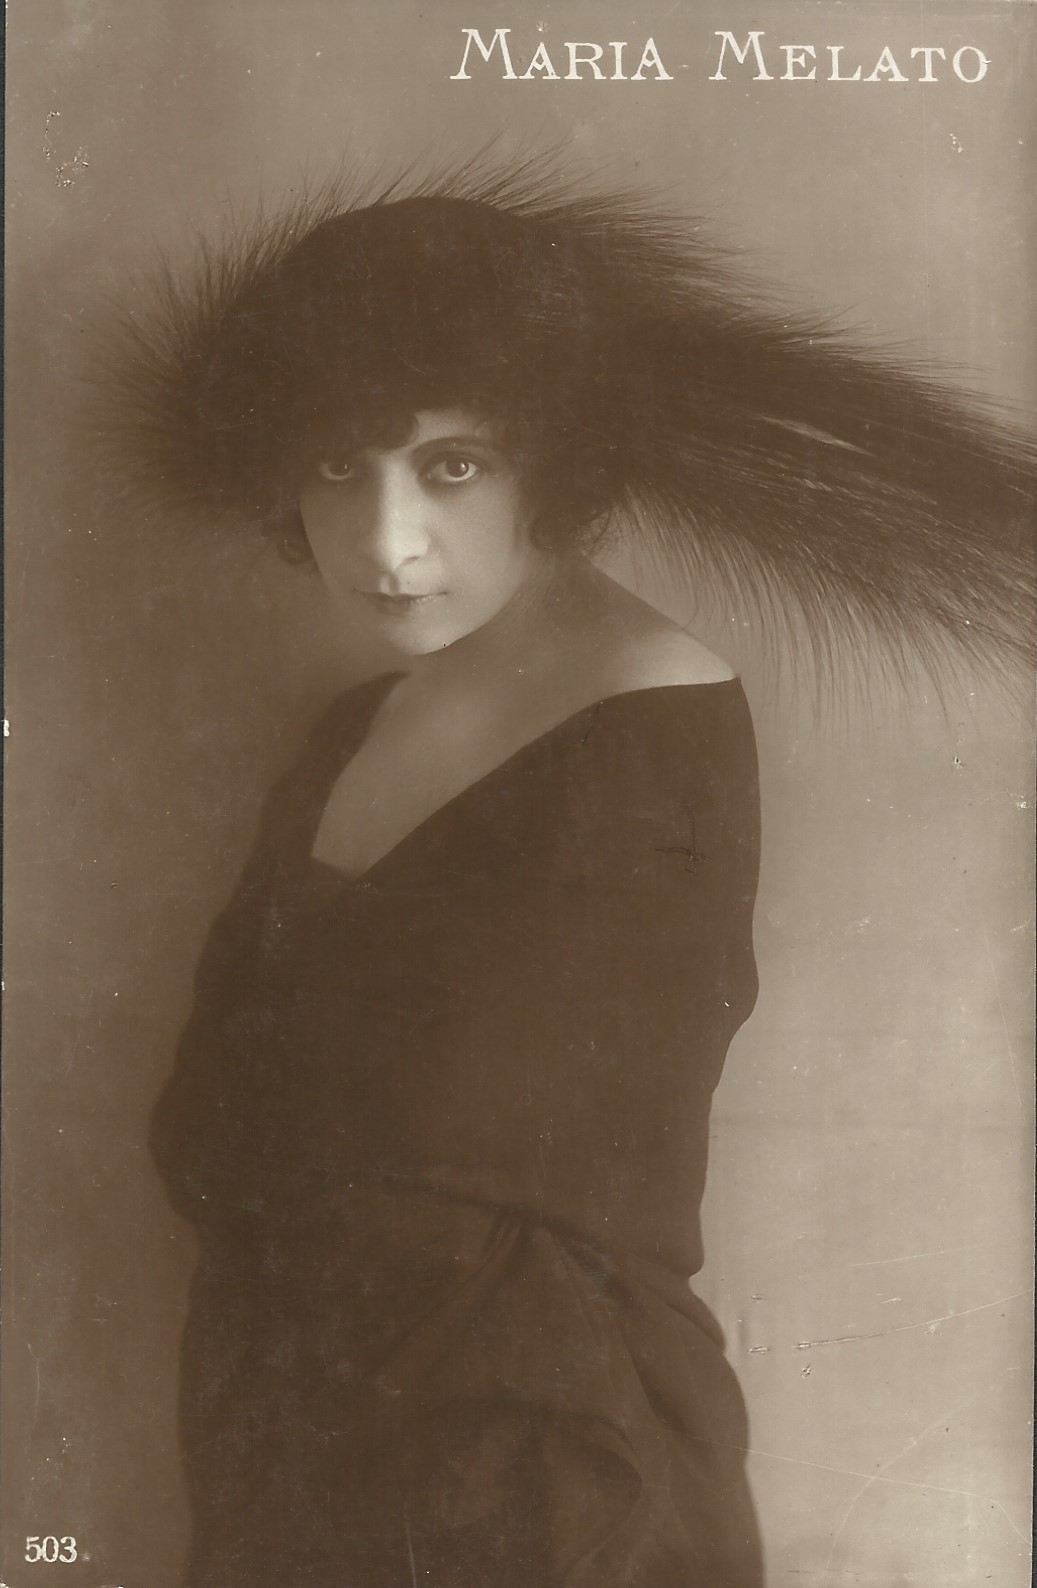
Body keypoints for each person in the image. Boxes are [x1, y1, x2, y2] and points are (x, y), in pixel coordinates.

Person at [121, 169, 1033, 1587]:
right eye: (335, 466)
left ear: (554, 467)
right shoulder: (351, 730)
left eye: (452, 466)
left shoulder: (650, 733)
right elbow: (219, 1131)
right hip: (293, 1445)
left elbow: (417, 1158)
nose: (384, 542)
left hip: (543, 1476)